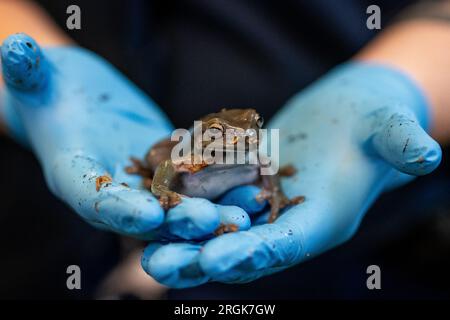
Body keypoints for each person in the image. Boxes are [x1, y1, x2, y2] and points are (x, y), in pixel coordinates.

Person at [0, 0, 449, 297]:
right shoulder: (191, 152)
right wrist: (29, 89)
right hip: (39, 237)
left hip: (366, 263)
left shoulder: (252, 151)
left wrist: (407, 81)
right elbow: (168, 167)